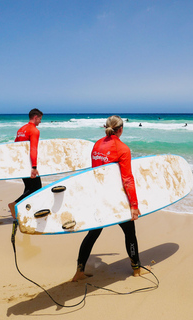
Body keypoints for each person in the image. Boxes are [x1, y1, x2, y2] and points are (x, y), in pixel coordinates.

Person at [72, 115, 144, 282]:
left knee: (93, 233)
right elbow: (127, 179)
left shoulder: (97, 145)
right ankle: (137, 269)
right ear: (121, 129)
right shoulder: (123, 149)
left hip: (98, 196)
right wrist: (133, 205)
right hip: (115, 198)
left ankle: (79, 271)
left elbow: (94, 173)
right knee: (129, 233)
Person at [8, 108, 43, 218]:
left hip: (21, 163)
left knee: (28, 188)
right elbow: (33, 148)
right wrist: (34, 167)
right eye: (40, 119)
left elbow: (15, 146)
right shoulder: (34, 130)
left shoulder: (21, 129)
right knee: (37, 188)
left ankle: (24, 210)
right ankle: (14, 204)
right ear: (35, 117)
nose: (40, 122)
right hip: (28, 164)